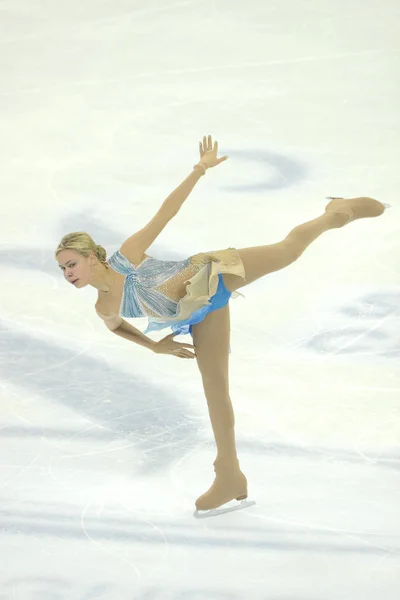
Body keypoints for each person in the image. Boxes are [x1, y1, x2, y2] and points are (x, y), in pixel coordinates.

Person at [55, 135, 390, 516]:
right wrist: (154, 346)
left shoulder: (124, 260)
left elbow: (166, 214)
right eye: (63, 268)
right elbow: (114, 326)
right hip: (199, 314)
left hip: (212, 273)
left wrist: (198, 170)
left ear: (90, 258)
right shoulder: (103, 305)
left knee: (289, 251)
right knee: (216, 390)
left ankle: (337, 213)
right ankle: (229, 474)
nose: (67, 273)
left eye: (71, 264)